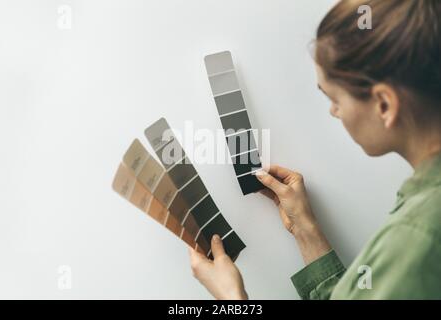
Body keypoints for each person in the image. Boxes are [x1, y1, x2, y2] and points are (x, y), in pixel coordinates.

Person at [188, 0, 441, 300]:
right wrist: (304, 228)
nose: (334, 112)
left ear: (384, 105)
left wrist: (231, 299)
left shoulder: (418, 236)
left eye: (335, 99)